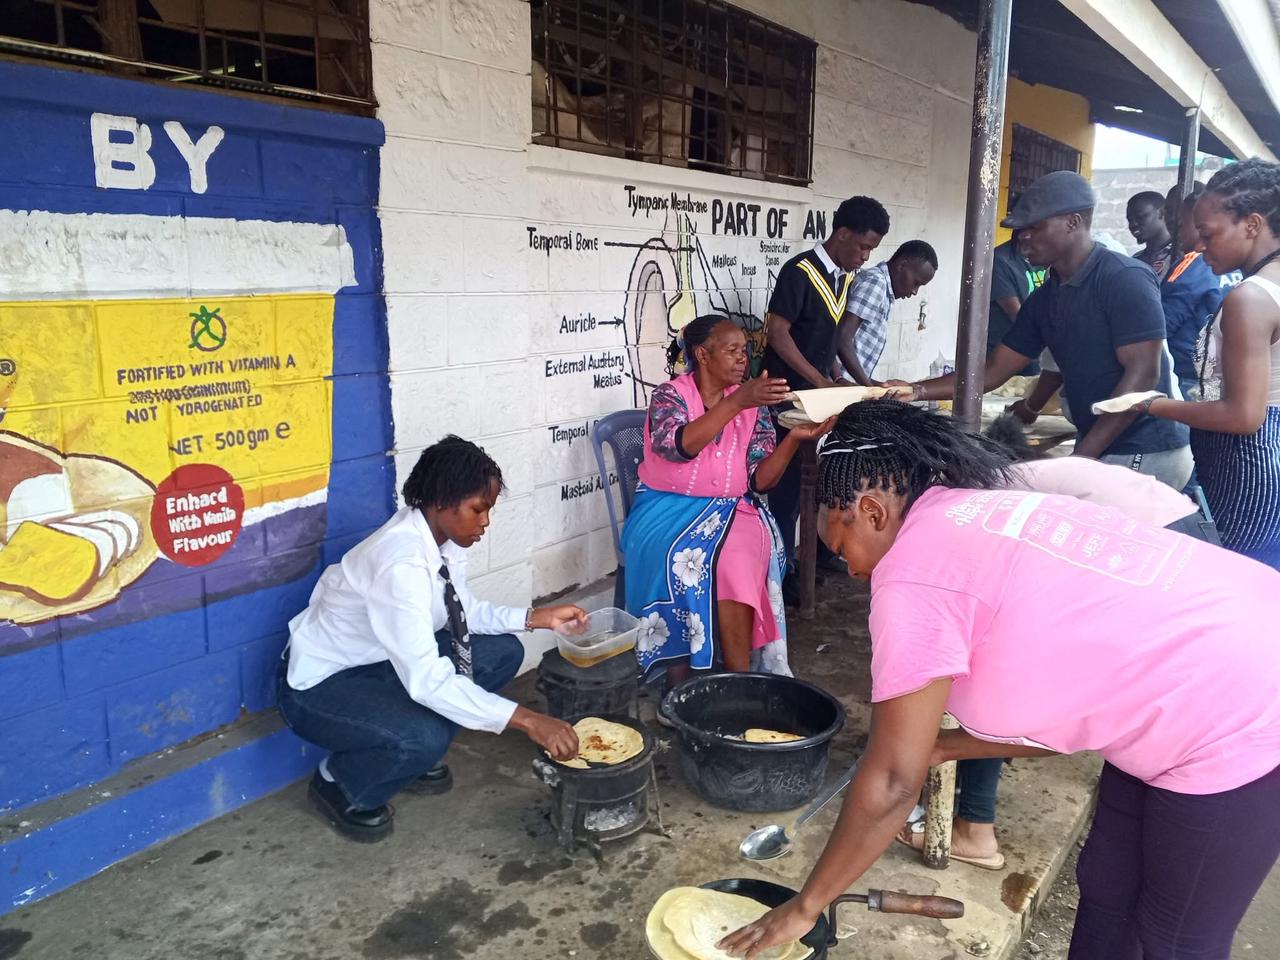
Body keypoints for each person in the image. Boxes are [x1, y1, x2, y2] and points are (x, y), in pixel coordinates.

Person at [718, 399, 1280, 960]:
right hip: (1192, 684)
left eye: (841, 548)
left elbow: (892, 783)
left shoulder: (915, 574)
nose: (855, 571)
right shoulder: (970, 508)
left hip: (1243, 702)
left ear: (870, 510)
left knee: (1177, 936)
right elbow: (1067, 711)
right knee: (1106, 883)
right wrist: (943, 747)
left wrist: (806, 905)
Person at [279, 436, 587, 842]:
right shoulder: (400, 564)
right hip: (321, 686)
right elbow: (427, 678)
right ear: (443, 501)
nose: (486, 523)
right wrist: (530, 720)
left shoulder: (441, 539)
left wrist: (534, 618)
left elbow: (461, 611)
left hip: (382, 664)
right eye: (478, 510)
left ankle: (407, 749)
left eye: (488, 510)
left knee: (502, 652)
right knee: (422, 737)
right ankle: (338, 783)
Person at [898, 170, 1193, 491]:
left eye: (1034, 227)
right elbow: (993, 372)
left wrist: (1081, 457)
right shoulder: (1046, 299)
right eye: (1021, 229)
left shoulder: (1124, 278)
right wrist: (915, 391)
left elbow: (1142, 376)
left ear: (1073, 222)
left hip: (1147, 446)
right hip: (1101, 445)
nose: (1023, 237)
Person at [623, 315, 834, 681]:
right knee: (680, 561)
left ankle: (739, 679)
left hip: (733, 509)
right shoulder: (670, 395)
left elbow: (760, 480)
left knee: (736, 561)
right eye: (732, 350)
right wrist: (738, 403)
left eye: (746, 351)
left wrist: (795, 439)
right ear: (702, 355)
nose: (743, 359)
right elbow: (679, 447)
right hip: (664, 509)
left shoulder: (752, 405)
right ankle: (679, 682)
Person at [1114, 158, 1280, 570]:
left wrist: (1150, 403)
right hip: (1264, 458)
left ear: (1252, 225)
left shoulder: (1250, 298)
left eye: (1208, 234)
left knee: (1235, 578)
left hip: (1248, 463)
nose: (1198, 245)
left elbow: (1243, 415)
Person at [762, 195, 890, 594]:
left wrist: (836, 377)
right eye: (863, 246)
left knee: (816, 486)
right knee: (784, 495)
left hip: (816, 397)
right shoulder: (799, 272)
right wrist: (817, 379)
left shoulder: (842, 278)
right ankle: (781, 579)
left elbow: (827, 340)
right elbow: (778, 334)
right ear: (842, 233)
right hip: (785, 398)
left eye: (872, 249)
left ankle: (811, 561)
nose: (866, 257)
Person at [836, 240, 938, 386]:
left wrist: (877, 385)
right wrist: (869, 387)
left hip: (849, 384)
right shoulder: (876, 284)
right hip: (839, 385)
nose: (915, 292)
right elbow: (843, 339)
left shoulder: (884, 290)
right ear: (901, 266)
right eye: (916, 283)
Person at [1161, 186, 1229, 400]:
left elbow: (1165, 321)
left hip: (1187, 374)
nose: (1178, 231)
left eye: (1182, 224)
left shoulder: (1194, 261)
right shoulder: (1237, 265)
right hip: (1223, 373)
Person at [985, 231, 1043, 377]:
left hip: (1035, 352)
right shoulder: (1000, 261)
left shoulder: (1045, 257)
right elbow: (1019, 316)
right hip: (1006, 353)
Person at [1127, 190, 1174, 279]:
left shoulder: (1178, 255)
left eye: (1140, 217)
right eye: (1129, 220)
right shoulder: (1136, 260)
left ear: (1161, 213)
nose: (1133, 224)